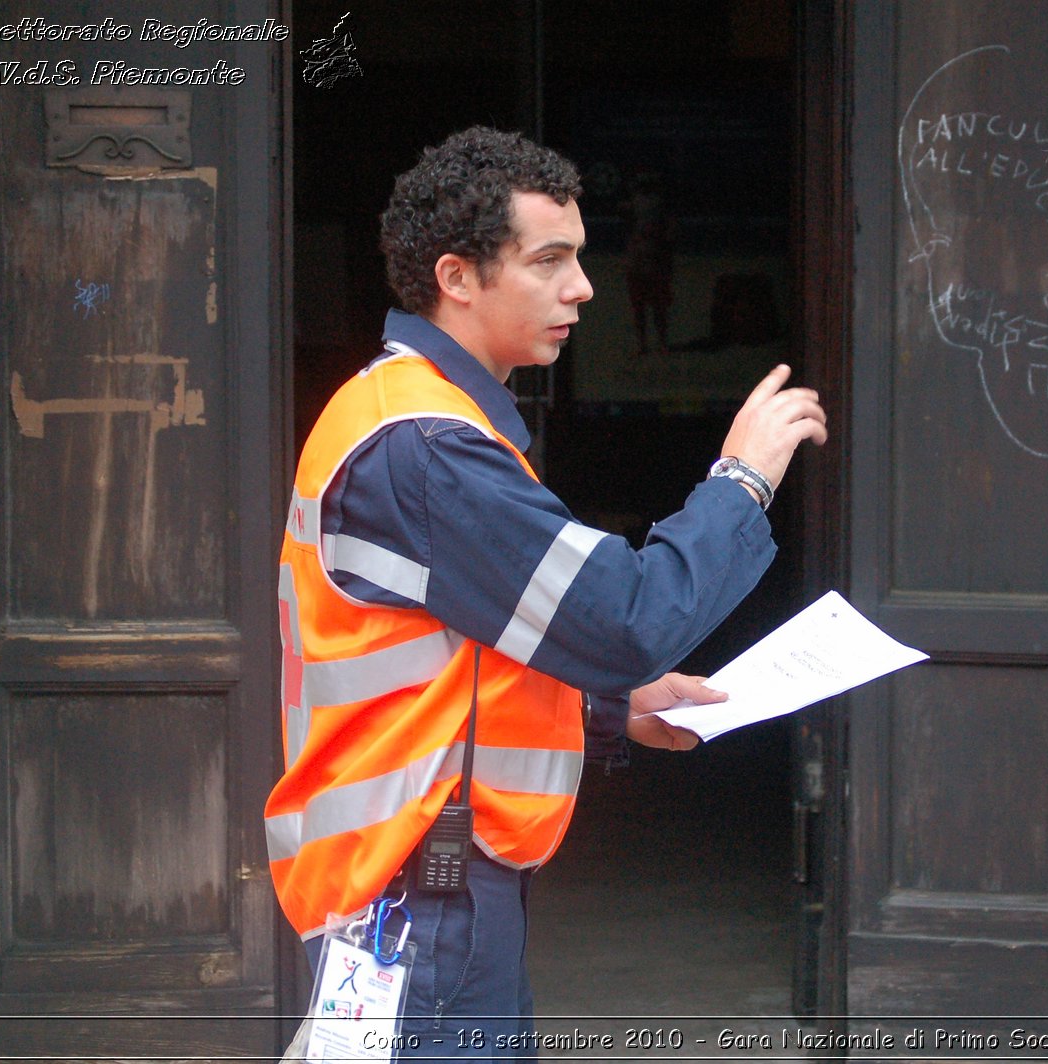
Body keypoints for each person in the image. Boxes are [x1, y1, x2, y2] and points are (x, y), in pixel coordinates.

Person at [264, 126, 826, 1058]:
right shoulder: (428, 444)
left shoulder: (413, 417)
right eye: (550, 260)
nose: (584, 287)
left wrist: (613, 704)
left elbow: (465, 656)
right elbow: (629, 618)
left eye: (581, 258)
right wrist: (741, 480)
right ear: (457, 277)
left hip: (418, 887)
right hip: (422, 889)